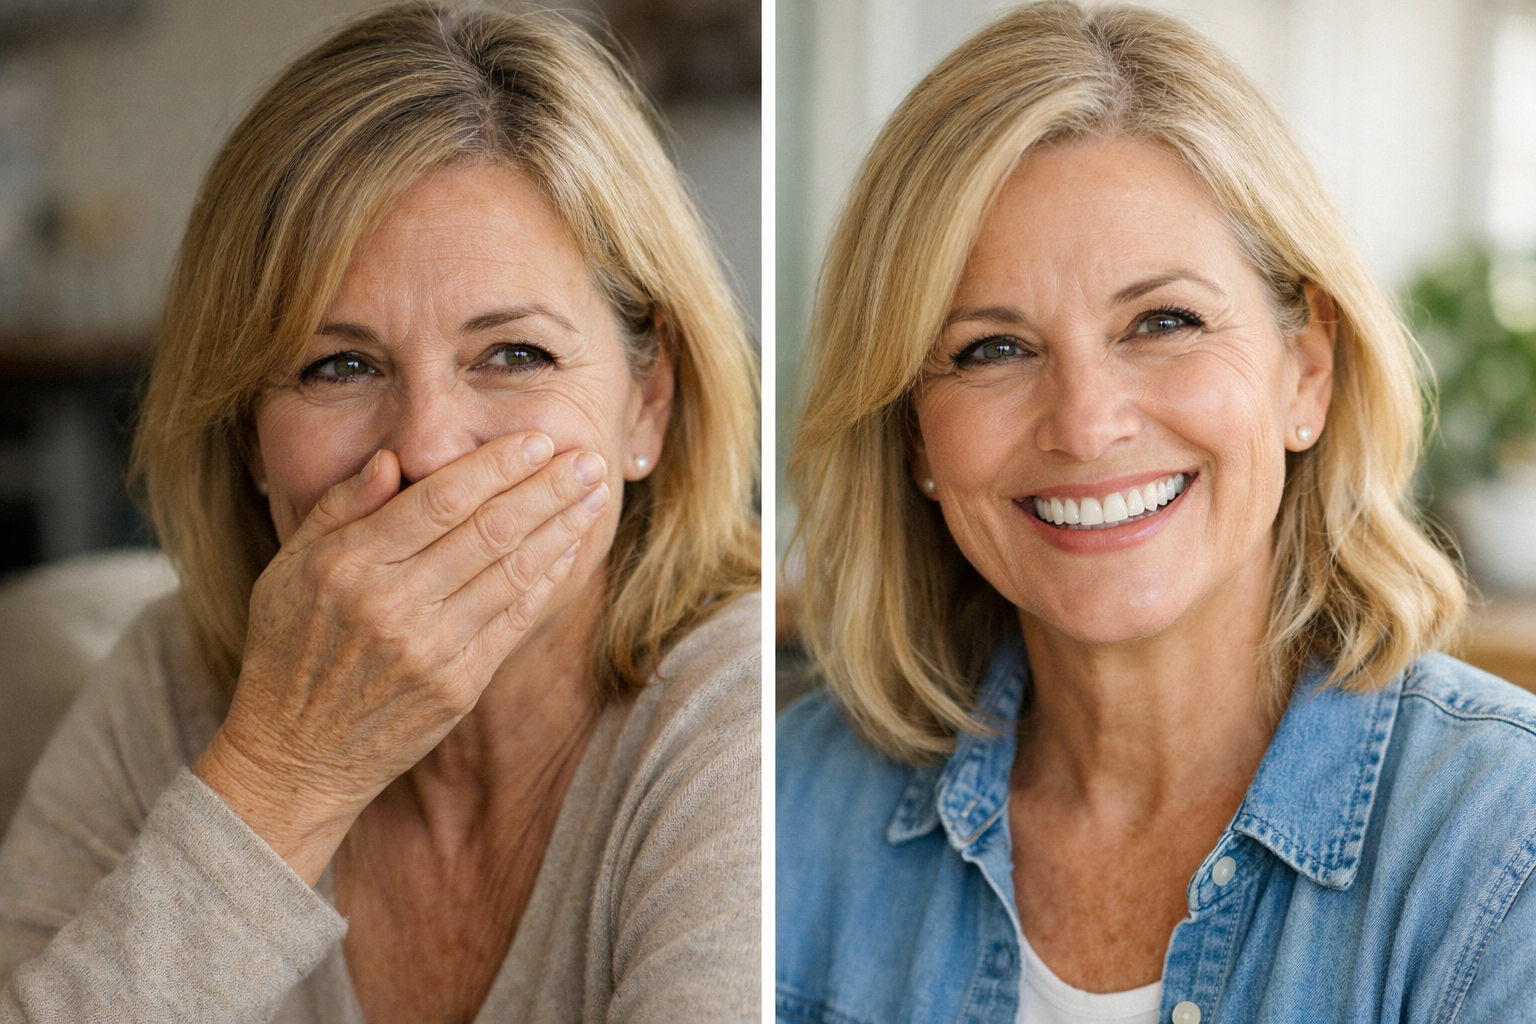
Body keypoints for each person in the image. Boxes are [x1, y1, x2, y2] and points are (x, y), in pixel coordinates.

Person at [0, 4, 760, 1022]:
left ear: (648, 401)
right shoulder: (165, 687)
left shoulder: (738, 723)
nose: (429, 449)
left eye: (515, 354)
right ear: (248, 438)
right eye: (340, 366)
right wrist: (286, 772)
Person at [777, 3, 1536, 1022]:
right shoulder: (796, 802)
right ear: (915, 433)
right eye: (992, 349)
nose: (1087, 426)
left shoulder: (1504, 847)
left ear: (1306, 370)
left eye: (1162, 322)